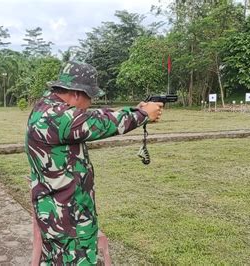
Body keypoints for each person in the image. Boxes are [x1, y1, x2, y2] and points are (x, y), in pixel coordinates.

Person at [25, 61, 164, 264]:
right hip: (68, 218)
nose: (90, 103)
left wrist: (134, 109)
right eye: (90, 97)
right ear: (76, 93)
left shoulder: (46, 108)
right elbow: (100, 123)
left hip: (56, 209)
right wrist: (142, 115)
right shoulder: (57, 117)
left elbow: (94, 115)